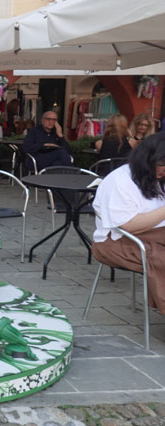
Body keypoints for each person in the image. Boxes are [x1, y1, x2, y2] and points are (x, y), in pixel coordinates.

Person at [92, 132, 165, 313]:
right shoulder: (120, 181)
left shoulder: (155, 175)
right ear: (147, 160)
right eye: (162, 164)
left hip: (152, 234)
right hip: (117, 241)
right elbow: (129, 225)